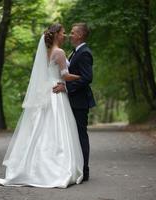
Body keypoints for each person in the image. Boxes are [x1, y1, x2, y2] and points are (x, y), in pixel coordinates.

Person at [0, 23, 84, 188]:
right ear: (57, 34)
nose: (65, 35)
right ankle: (55, 168)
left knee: (42, 129)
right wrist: (81, 78)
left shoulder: (45, 52)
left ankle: (34, 166)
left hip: (47, 91)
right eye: (63, 32)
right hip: (57, 92)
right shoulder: (59, 52)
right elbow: (65, 75)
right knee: (55, 129)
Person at [53, 22, 96, 182]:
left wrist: (66, 87)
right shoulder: (76, 52)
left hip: (79, 101)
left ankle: (84, 170)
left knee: (81, 135)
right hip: (72, 100)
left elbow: (87, 78)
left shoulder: (84, 53)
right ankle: (76, 167)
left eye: (72, 32)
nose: (70, 35)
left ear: (80, 35)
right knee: (74, 135)